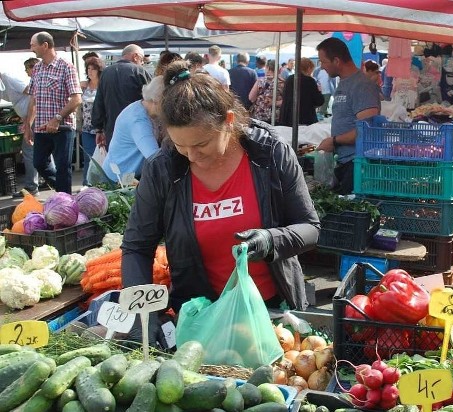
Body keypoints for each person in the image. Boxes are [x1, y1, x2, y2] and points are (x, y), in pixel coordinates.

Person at [120, 61, 320, 340]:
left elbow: (310, 227)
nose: (191, 156)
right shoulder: (163, 169)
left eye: (201, 144)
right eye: (180, 145)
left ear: (228, 121)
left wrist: (271, 240)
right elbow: (137, 247)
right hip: (200, 318)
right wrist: (141, 315)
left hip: (273, 314)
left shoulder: (270, 153)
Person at [315, 37, 381, 195]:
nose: (322, 67)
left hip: (358, 164)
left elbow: (366, 129)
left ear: (336, 60)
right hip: (345, 161)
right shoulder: (343, 83)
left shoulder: (363, 86)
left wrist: (334, 141)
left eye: (323, 62)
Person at [24, 32, 82, 195]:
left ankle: (65, 202)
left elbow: (76, 99)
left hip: (62, 127)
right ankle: (63, 193)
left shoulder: (66, 67)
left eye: (33, 44)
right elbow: (33, 100)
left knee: (63, 166)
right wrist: (28, 126)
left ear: (45, 45)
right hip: (42, 128)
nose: (31, 48)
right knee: (39, 162)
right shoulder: (37, 68)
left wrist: (57, 119)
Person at [98, 76, 163, 184]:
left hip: (127, 177)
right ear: (156, 101)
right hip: (118, 180)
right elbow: (155, 158)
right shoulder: (138, 121)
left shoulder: (141, 107)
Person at [92, 44, 152, 150]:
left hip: (112, 130)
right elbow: (152, 100)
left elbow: (99, 102)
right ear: (136, 56)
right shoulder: (140, 71)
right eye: (142, 59)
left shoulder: (106, 73)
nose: (142, 63)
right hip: (137, 129)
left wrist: (99, 129)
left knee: (116, 163)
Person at [0, 62, 38, 196]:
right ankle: (47, 180)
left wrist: (28, 121)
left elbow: (33, 94)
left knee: (29, 151)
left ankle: (32, 186)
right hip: (27, 117)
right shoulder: (2, 84)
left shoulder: (9, 79)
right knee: (41, 150)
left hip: (33, 118)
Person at [80, 56, 104, 187]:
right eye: (88, 68)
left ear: (98, 70)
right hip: (86, 128)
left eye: (93, 69)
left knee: (102, 157)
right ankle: (87, 184)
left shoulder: (103, 85)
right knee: (88, 158)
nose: (90, 71)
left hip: (100, 127)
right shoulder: (83, 85)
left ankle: (100, 185)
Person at [279, 57, 324, 126]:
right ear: (309, 68)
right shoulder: (309, 81)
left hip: (287, 118)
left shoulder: (289, 79)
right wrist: (319, 91)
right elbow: (319, 101)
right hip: (304, 119)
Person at [248, 59, 282, 124]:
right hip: (277, 117)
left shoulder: (260, 81)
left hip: (260, 117)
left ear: (268, 68)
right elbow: (287, 100)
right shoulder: (282, 83)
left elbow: (251, 98)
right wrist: (275, 103)